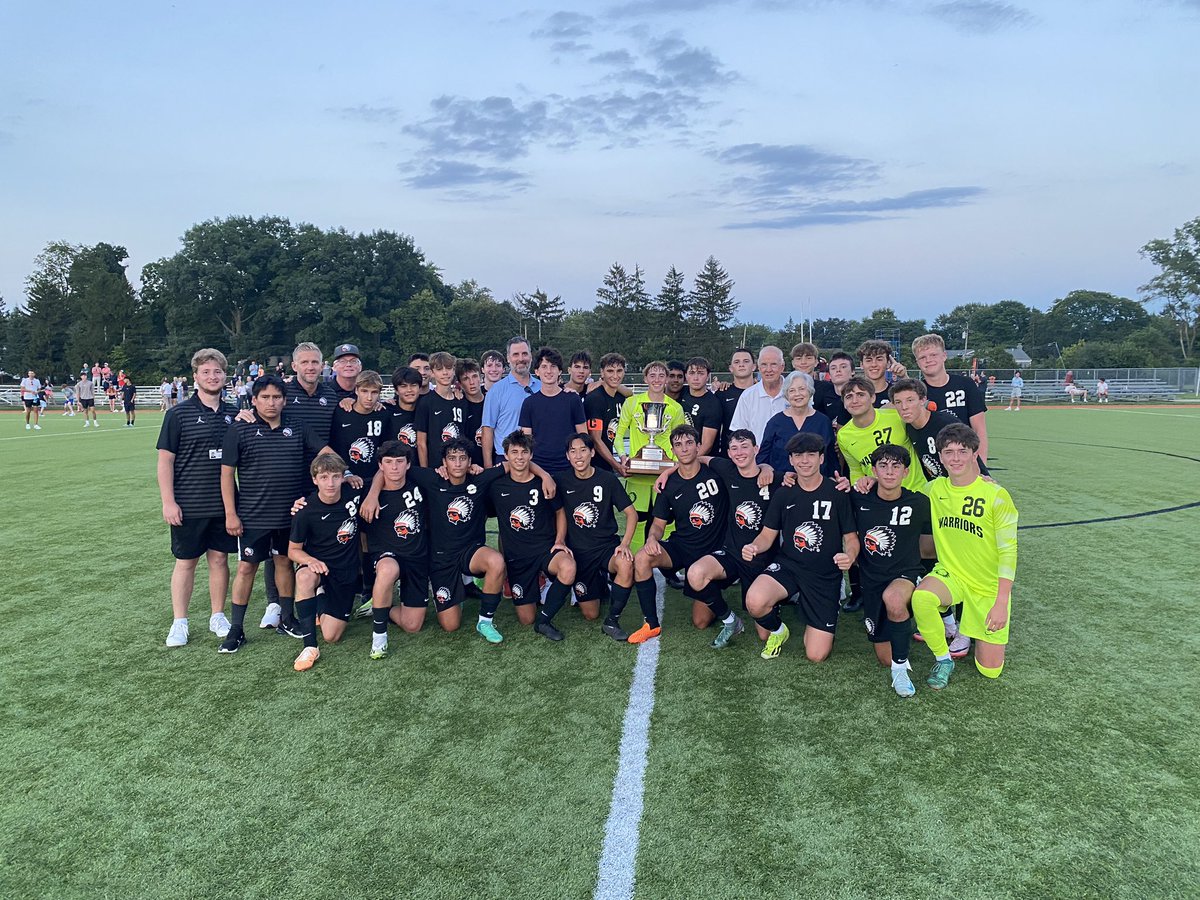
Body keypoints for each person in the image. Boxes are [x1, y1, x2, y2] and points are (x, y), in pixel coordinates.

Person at [218, 375, 333, 654]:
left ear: (284, 400)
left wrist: (346, 472)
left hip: (289, 515)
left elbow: (325, 453)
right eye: (265, 397)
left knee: (284, 563)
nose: (271, 403)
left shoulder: (297, 426)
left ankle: (287, 618)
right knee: (246, 568)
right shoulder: (239, 428)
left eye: (277, 397)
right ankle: (236, 628)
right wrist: (231, 514)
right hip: (253, 516)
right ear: (254, 400)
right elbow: (226, 475)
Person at [911, 423, 1018, 689]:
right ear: (940, 456)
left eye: (962, 451)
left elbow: (1008, 551)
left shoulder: (995, 495)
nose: (955, 458)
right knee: (922, 598)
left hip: (986, 586)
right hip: (952, 574)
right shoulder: (934, 489)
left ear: (974, 454)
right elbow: (897, 495)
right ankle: (944, 659)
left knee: (990, 671)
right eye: (949, 452)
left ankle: (974, 630)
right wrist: (869, 481)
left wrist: (1001, 602)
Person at [742, 432, 859, 661]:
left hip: (824, 575)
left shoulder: (837, 492)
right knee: (755, 602)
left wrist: (850, 555)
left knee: (816, 655)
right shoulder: (784, 493)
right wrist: (753, 546)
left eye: (811, 455)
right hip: (790, 566)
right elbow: (766, 535)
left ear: (821, 458)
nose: (804, 461)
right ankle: (779, 630)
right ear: (791, 460)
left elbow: (852, 538)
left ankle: (821, 609)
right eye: (798, 455)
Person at [156, 348, 238, 647]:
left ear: (225, 376)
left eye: (217, 371)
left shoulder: (235, 414)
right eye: (206, 372)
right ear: (195, 376)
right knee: (186, 562)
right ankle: (180, 621)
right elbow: (165, 461)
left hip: (224, 504)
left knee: (219, 560)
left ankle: (218, 615)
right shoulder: (178, 414)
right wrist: (168, 501)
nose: (212, 376)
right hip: (188, 503)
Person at [674, 428, 786, 649]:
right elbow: (699, 458)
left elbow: (804, 478)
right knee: (695, 574)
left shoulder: (775, 479)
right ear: (728, 453)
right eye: (734, 448)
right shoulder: (727, 469)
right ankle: (730, 620)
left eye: (745, 447)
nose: (739, 452)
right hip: (732, 553)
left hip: (761, 560)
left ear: (756, 449)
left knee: (764, 635)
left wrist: (767, 467)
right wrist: (669, 471)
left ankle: (773, 602)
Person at [627, 425, 729, 644]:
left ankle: (713, 587)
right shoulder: (668, 485)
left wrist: (766, 468)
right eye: (678, 445)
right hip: (682, 546)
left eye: (689, 443)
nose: (684, 449)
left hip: (712, 554)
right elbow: (658, 524)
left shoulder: (717, 473)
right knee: (643, 557)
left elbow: (745, 468)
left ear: (698, 446)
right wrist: (652, 538)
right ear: (672, 450)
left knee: (701, 622)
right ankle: (651, 624)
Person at [852, 444, 934, 698]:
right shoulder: (857, 498)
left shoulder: (919, 503)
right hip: (871, 580)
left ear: (906, 472)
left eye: (896, 466)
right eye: (883, 466)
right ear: (873, 470)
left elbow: (930, 547)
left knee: (895, 599)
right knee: (884, 657)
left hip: (906, 574)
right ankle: (899, 637)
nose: (889, 472)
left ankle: (900, 672)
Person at [487, 431, 576, 641]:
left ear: (531, 455)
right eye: (514, 452)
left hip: (545, 550)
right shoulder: (496, 486)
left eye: (524, 452)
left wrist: (560, 540)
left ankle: (544, 620)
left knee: (568, 566)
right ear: (506, 455)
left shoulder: (544, 482)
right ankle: (538, 587)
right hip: (518, 558)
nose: (519, 457)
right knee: (526, 618)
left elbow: (560, 512)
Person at [358, 441, 437, 654]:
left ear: (408, 464)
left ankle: (382, 607)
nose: (394, 467)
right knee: (388, 569)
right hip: (386, 554)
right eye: (388, 462)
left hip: (417, 558)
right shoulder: (367, 493)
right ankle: (379, 637)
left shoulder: (418, 482)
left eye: (400, 462)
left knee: (412, 626)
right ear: (380, 465)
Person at [555, 434, 637, 639]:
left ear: (592, 453)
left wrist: (625, 544)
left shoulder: (607, 479)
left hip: (606, 547)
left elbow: (631, 514)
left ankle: (612, 620)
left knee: (625, 563)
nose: (578, 456)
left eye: (583, 450)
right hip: (579, 553)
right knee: (590, 614)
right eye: (573, 451)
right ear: (567, 456)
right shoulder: (560, 481)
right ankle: (600, 582)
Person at [288, 453, 365, 671]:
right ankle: (309, 646)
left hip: (345, 572)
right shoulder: (305, 510)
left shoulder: (354, 492)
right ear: (315, 480)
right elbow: (293, 550)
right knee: (304, 576)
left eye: (335, 476)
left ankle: (320, 596)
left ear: (343, 477)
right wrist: (310, 560)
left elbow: (382, 478)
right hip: (318, 567)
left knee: (332, 636)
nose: (330, 483)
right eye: (323, 477)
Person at [612, 361, 685, 550]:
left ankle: (667, 562)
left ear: (666, 379)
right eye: (652, 375)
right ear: (645, 379)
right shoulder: (632, 403)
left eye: (661, 375)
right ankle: (634, 560)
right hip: (638, 476)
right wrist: (623, 457)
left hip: (666, 476)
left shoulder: (675, 407)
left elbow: (681, 440)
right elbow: (618, 436)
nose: (657, 380)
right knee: (637, 520)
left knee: (667, 521)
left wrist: (675, 466)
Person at [889, 378, 989, 485]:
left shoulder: (946, 424)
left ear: (923, 400)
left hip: (963, 486)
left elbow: (970, 457)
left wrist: (981, 480)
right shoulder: (908, 426)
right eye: (898, 402)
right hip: (939, 488)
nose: (904, 407)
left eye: (910, 400)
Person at [835, 377, 926, 493]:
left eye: (860, 395)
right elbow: (856, 470)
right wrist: (858, 490)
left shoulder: (896, 416)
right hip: (880, 497)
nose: (854, 401)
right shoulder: (844, 435)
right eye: (849, 397)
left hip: (916, 491)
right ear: (844, 403)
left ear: (873, 397)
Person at [911, 333, 989, 462]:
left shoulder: (966, 385)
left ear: (944, 355)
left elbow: (979, 429)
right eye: (922, 357)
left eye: (933, 355)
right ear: (917, 362)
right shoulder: (916, 393)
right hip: (931, 461)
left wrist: (981, 465)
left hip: (963, 457)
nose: (928, 360)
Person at [519, 347, 586, 474]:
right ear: (537, 371)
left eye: (553, 366)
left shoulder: (573, 399)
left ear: (559, 371)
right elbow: (526, 442)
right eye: (544, 366)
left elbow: (583, 436)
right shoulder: (529, 403)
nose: (549, 371)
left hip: (568, 467)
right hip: (538, 468)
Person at [757, 371, 835, 475]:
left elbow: (831, 458)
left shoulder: (823, 422)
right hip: (782, 482)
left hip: (816, 482)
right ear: (786, 395)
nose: (797, 394)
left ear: (810, 391)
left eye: (802, 389)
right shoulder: (775, 422)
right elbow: (763, 458)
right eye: (792, 390)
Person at [481, 336, 541, 466]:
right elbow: (487, 430)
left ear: (531, 356)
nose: (521, 359)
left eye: (524, 354)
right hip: (506, 459)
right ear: (508, 358)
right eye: (515, 354)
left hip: (539, 458)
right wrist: (488, 469)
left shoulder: (542, 387)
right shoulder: (496, 391)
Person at [415, 352, 465, 467]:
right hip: (436, 466)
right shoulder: (426, 402)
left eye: (448, 368)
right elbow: (421, 443)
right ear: (432, 373)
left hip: (458, 465)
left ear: (454, 370)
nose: (445, 372)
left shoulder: (462, 400)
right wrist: (425, 471)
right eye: (439, 369)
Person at [729, 345, 787, 443]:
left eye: (773, 364)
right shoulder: (747, 396)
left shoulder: (795, 393)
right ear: (759, 367)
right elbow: (740, 434)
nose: (768, 369)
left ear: (782, 367)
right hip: (758, 453)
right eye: (764, 364)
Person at [583, 352, 628, 474]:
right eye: (610, 371)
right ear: (602, 373)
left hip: (608, 464)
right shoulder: (595, 399)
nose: (615, 375)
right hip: (594, 466)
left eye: (619, 371)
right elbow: (596, 440)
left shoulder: (620, 398)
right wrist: (617, 466)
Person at [717, 347, 758, 452]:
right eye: (737, 362)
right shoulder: (722, 393)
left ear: (754, 366)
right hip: (730, 453)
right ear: (731, 368)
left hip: (759, 451)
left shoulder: (762, 393)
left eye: (746, 361)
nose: (741, 365)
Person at [680, 356, 721, 456]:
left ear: (708, 376)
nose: (696, 378)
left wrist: (689, 462)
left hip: (700, 459)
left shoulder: (713, 404)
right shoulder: (680, 393)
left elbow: (707, 445)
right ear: (686, 376)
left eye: (701, 373)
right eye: (692, 373)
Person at [456, 358, 486, 465]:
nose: (471, 382)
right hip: (470, 465)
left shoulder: (492, 401)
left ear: (481, 378)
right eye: (466, 379)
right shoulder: (459, 406)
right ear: (460, 383)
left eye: (474, 376)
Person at [855, 339, 904, 404]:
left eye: (879, 359)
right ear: (861, 364)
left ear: (888, 363)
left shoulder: (897, 394)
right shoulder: (852, 395)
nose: (874, 364)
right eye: (868, 360)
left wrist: (904, 377)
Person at [385, 366, 423, 448]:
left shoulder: (426, 410)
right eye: (403, 386)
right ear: (396, 390)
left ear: (419, 388)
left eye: (413, 385)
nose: (409, 390)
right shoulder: (386, 411)